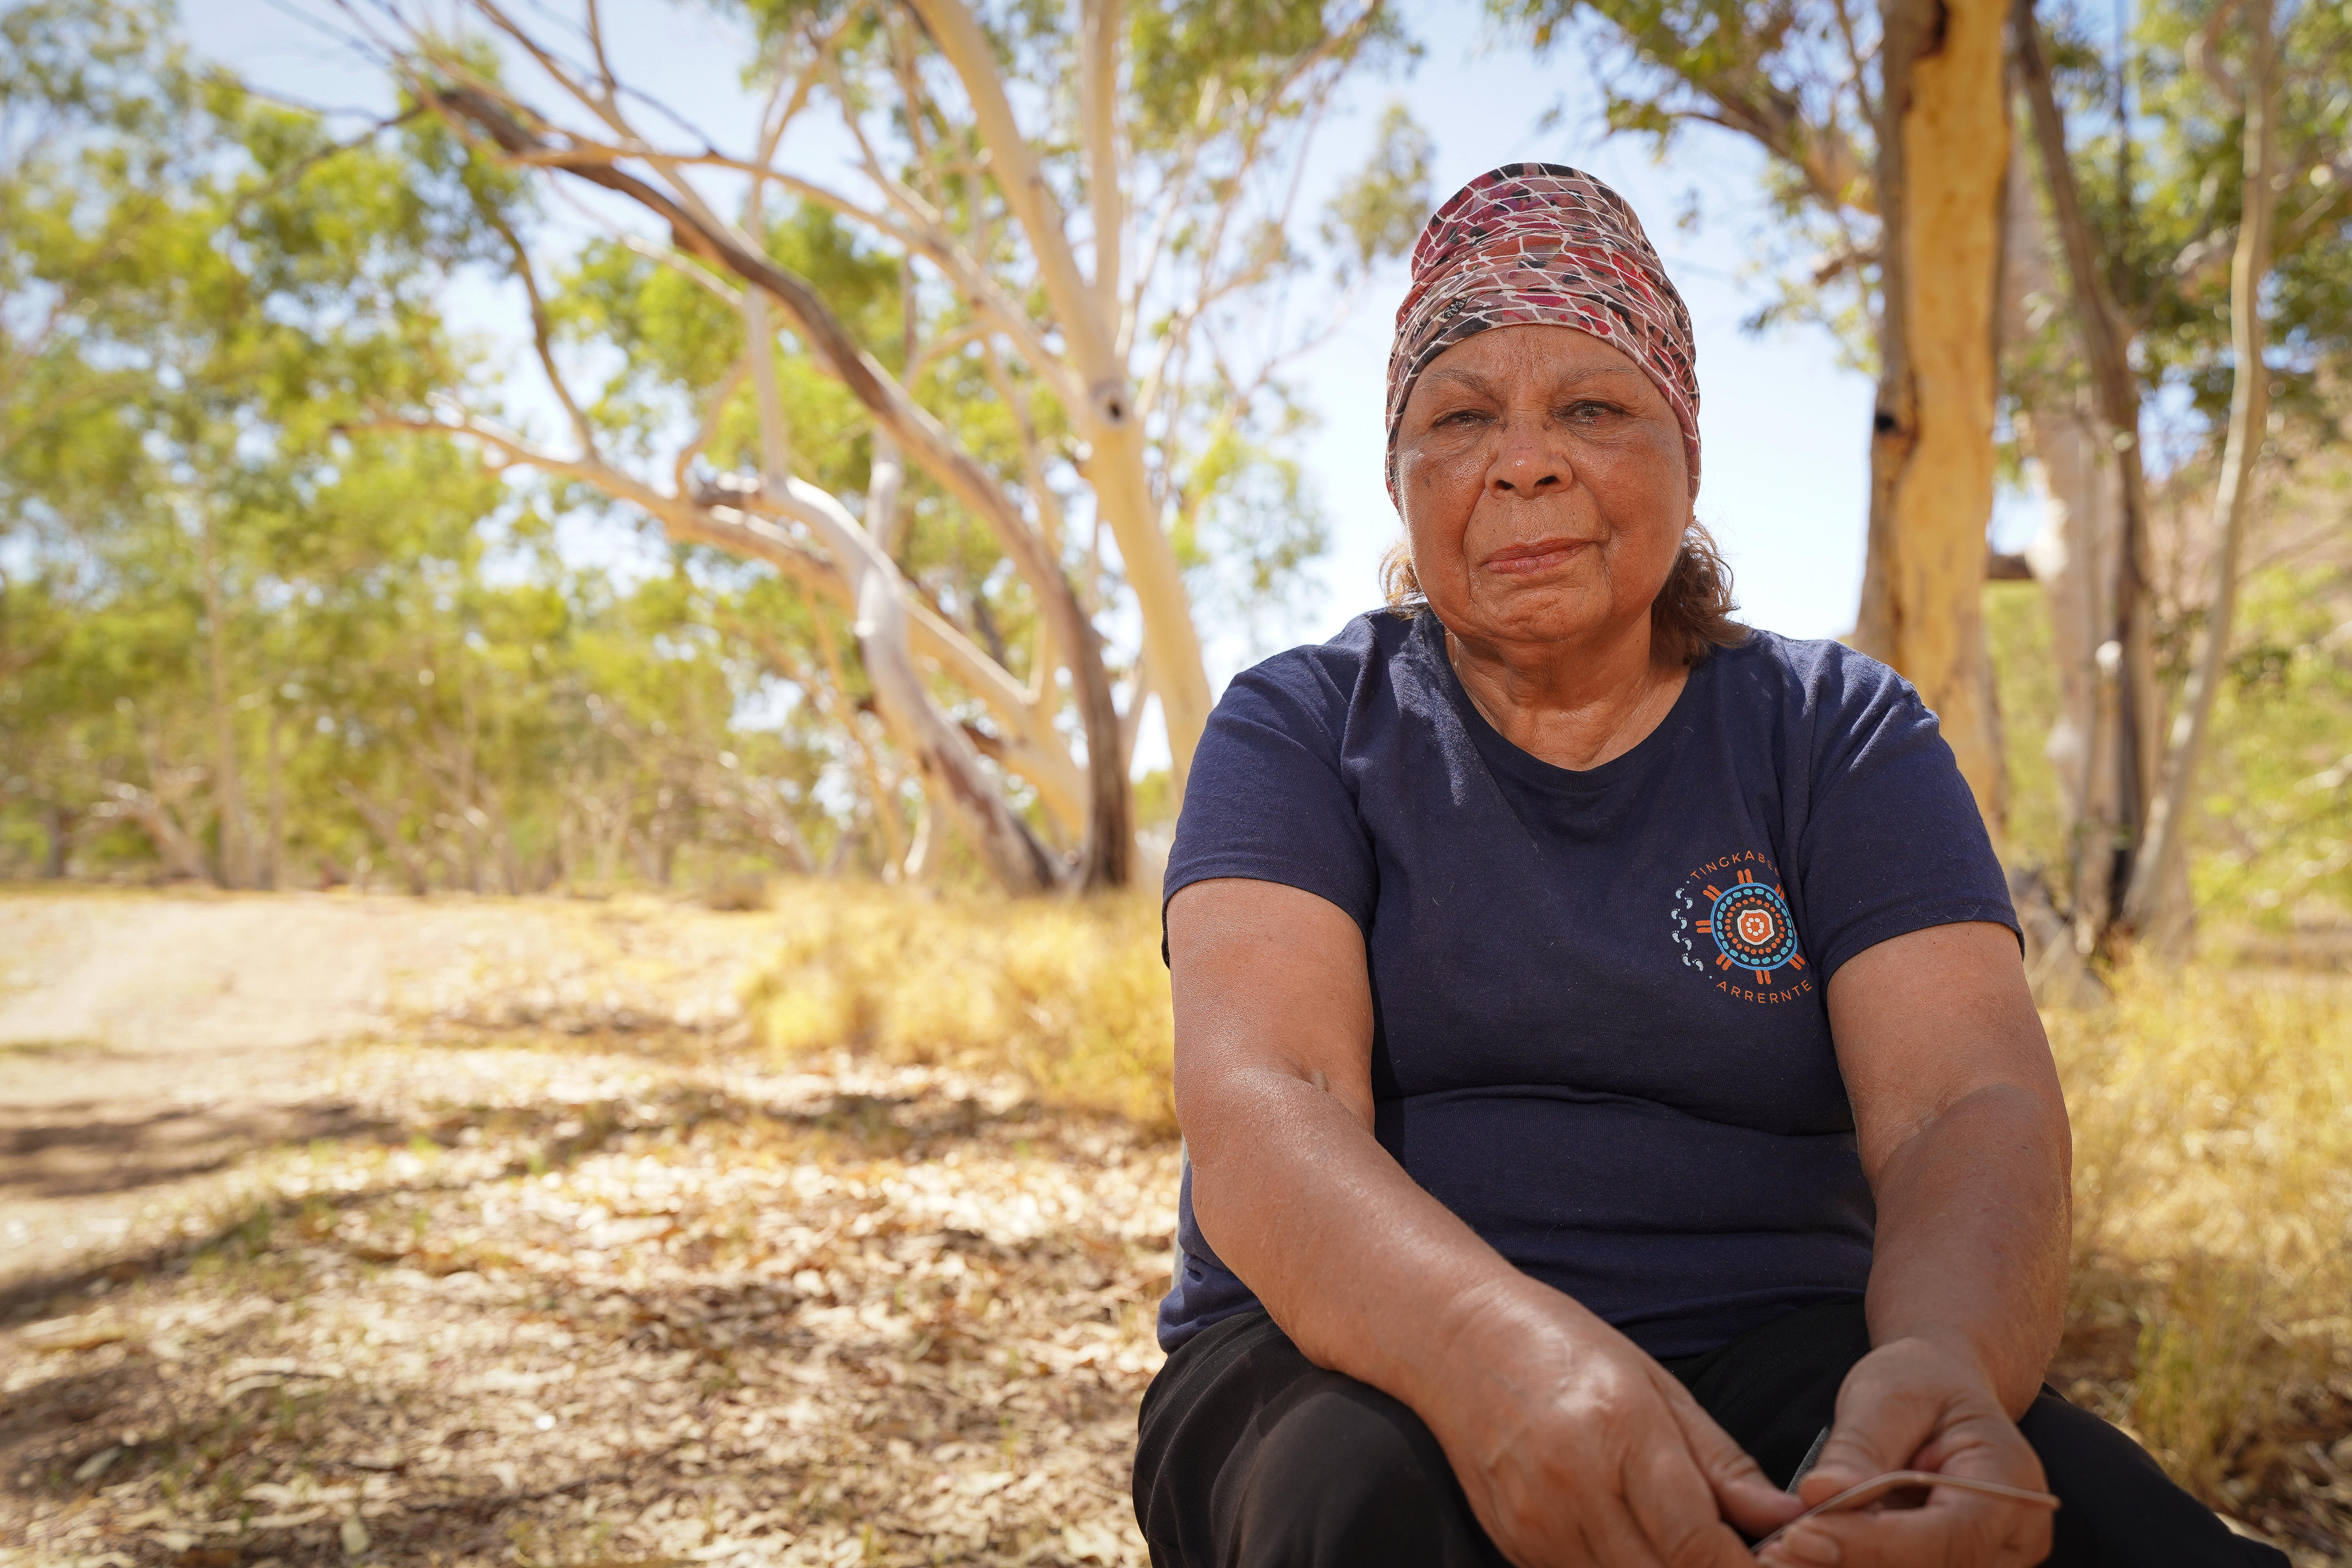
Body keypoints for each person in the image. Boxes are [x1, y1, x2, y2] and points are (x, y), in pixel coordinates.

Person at [1130, 164, 2287, 1568]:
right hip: (1342, 1355)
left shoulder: (1837, 733)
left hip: (1789, 1348)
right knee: (1361, 1516)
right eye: (1460, 416)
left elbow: (1959, 1106)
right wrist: (1487, 1354)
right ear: (1403, 477)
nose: (1525, 459)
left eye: (1592, 407)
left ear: (1687, 451)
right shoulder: (1302, 725)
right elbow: (1274, 1099)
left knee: (2114, 1538)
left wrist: (1941, 1370)